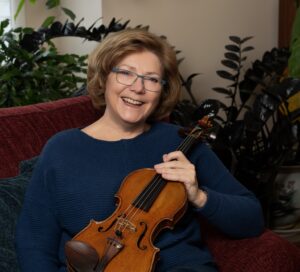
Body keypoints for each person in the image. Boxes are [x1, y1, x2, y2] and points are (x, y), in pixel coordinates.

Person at [15, 28, 264, 272]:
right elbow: (34, 241)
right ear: (103, 78)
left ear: (162, 90)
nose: (138, 88)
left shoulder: (182, 144)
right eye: (125, 73)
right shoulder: (61, 149)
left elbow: (252, 219)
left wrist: (198, 195)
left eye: (152, 79)